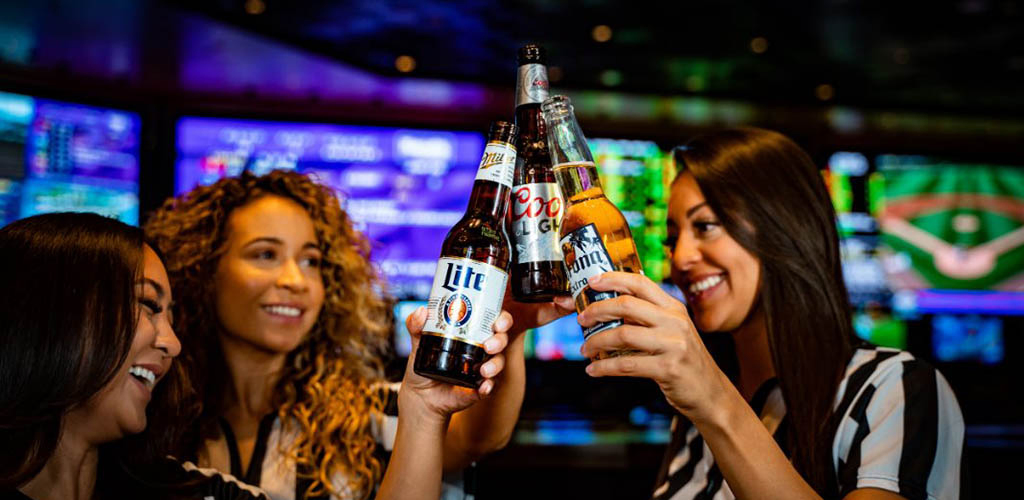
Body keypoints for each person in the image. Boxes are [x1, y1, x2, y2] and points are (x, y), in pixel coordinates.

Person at [570, 128, 967, 499]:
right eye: (673, 240)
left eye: (706, 226)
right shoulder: (700, 408)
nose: (681, 260)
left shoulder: (893, 388)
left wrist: (711, 398)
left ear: (785, 229)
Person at [143, 170, 527, 499]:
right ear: (203, 269)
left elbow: (477, 437)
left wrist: (511, 321)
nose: (296, 280)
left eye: (311, 261)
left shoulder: (372, 413)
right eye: (265, 255)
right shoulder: (149, 418)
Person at [0, 212, 266, 500]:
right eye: (149, 305)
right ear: (50, 315)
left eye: (171, 319)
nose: (173, 344)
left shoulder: (193, 491)